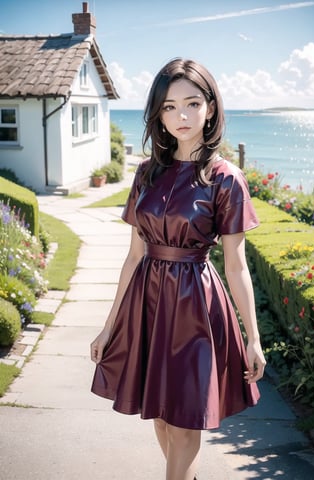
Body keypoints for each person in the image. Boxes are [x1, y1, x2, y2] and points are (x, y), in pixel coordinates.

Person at [91, 58, 266, 480]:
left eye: (191, 104)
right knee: (161, 417)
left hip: (196, 310)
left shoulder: (227, 178)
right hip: (147, 303)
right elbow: (133, 257)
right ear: (157, 113)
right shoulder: (147, 173)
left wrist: (253, 338)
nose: (181, 116)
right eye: (169, 107)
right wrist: (109, 325)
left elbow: (236, 266)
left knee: (186, 421)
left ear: (210, 107)